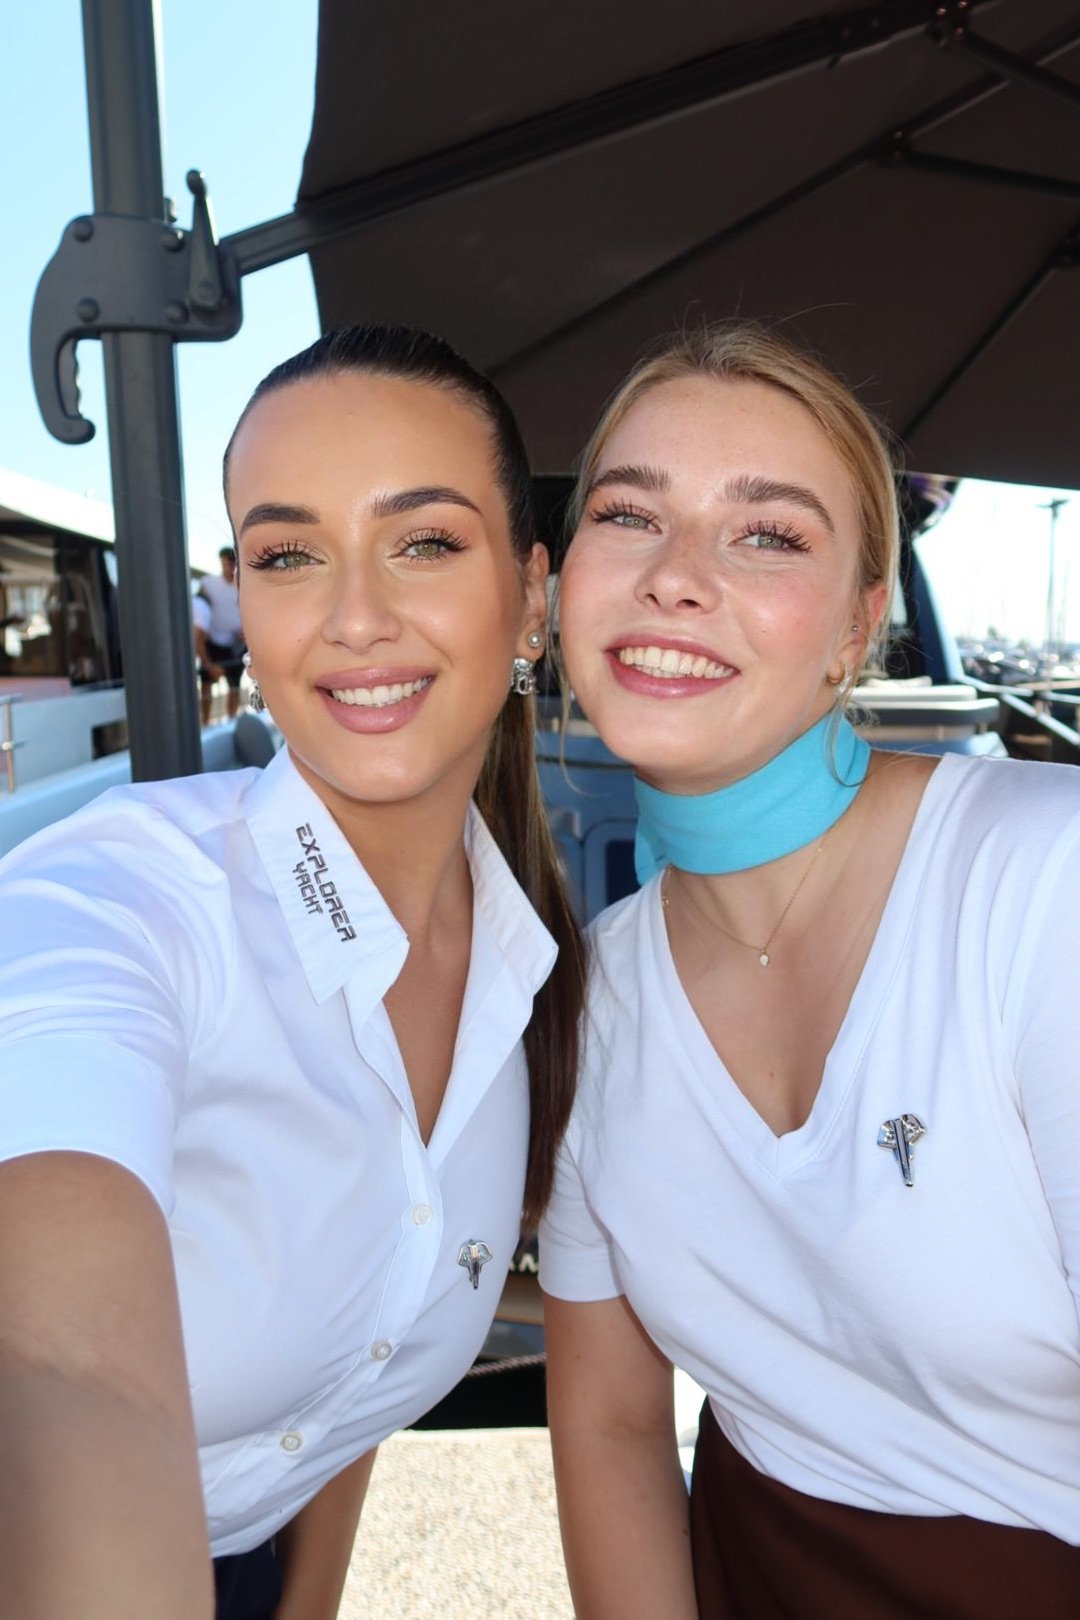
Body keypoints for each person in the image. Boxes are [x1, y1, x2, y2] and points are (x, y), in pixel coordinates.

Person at [0, 323, 584, 1620]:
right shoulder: (116, 902)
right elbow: (67, 1376)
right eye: (288, 555)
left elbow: (354, 1364)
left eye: (424, 542)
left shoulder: (524, 972)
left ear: (534, 597)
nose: (355, 617)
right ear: (241, 599)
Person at [539, 323, 1080, 1618]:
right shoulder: (592, 1001)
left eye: (768, 532)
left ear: (859, 624)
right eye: (631, 515)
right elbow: (611, 1430)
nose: (677, 577)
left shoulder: (1042, 890)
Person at [198, 545, 246, 718]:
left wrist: (246, 632)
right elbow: (198, 607)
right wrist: (202, 628)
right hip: (213, 642)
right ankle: (205, 722)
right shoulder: (208, 583)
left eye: (232, 562)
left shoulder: (245, 585)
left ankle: (232, 719)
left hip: (236, 644)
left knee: (234, 685)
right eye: (226, 562)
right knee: (207, 683)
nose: (229, 566)